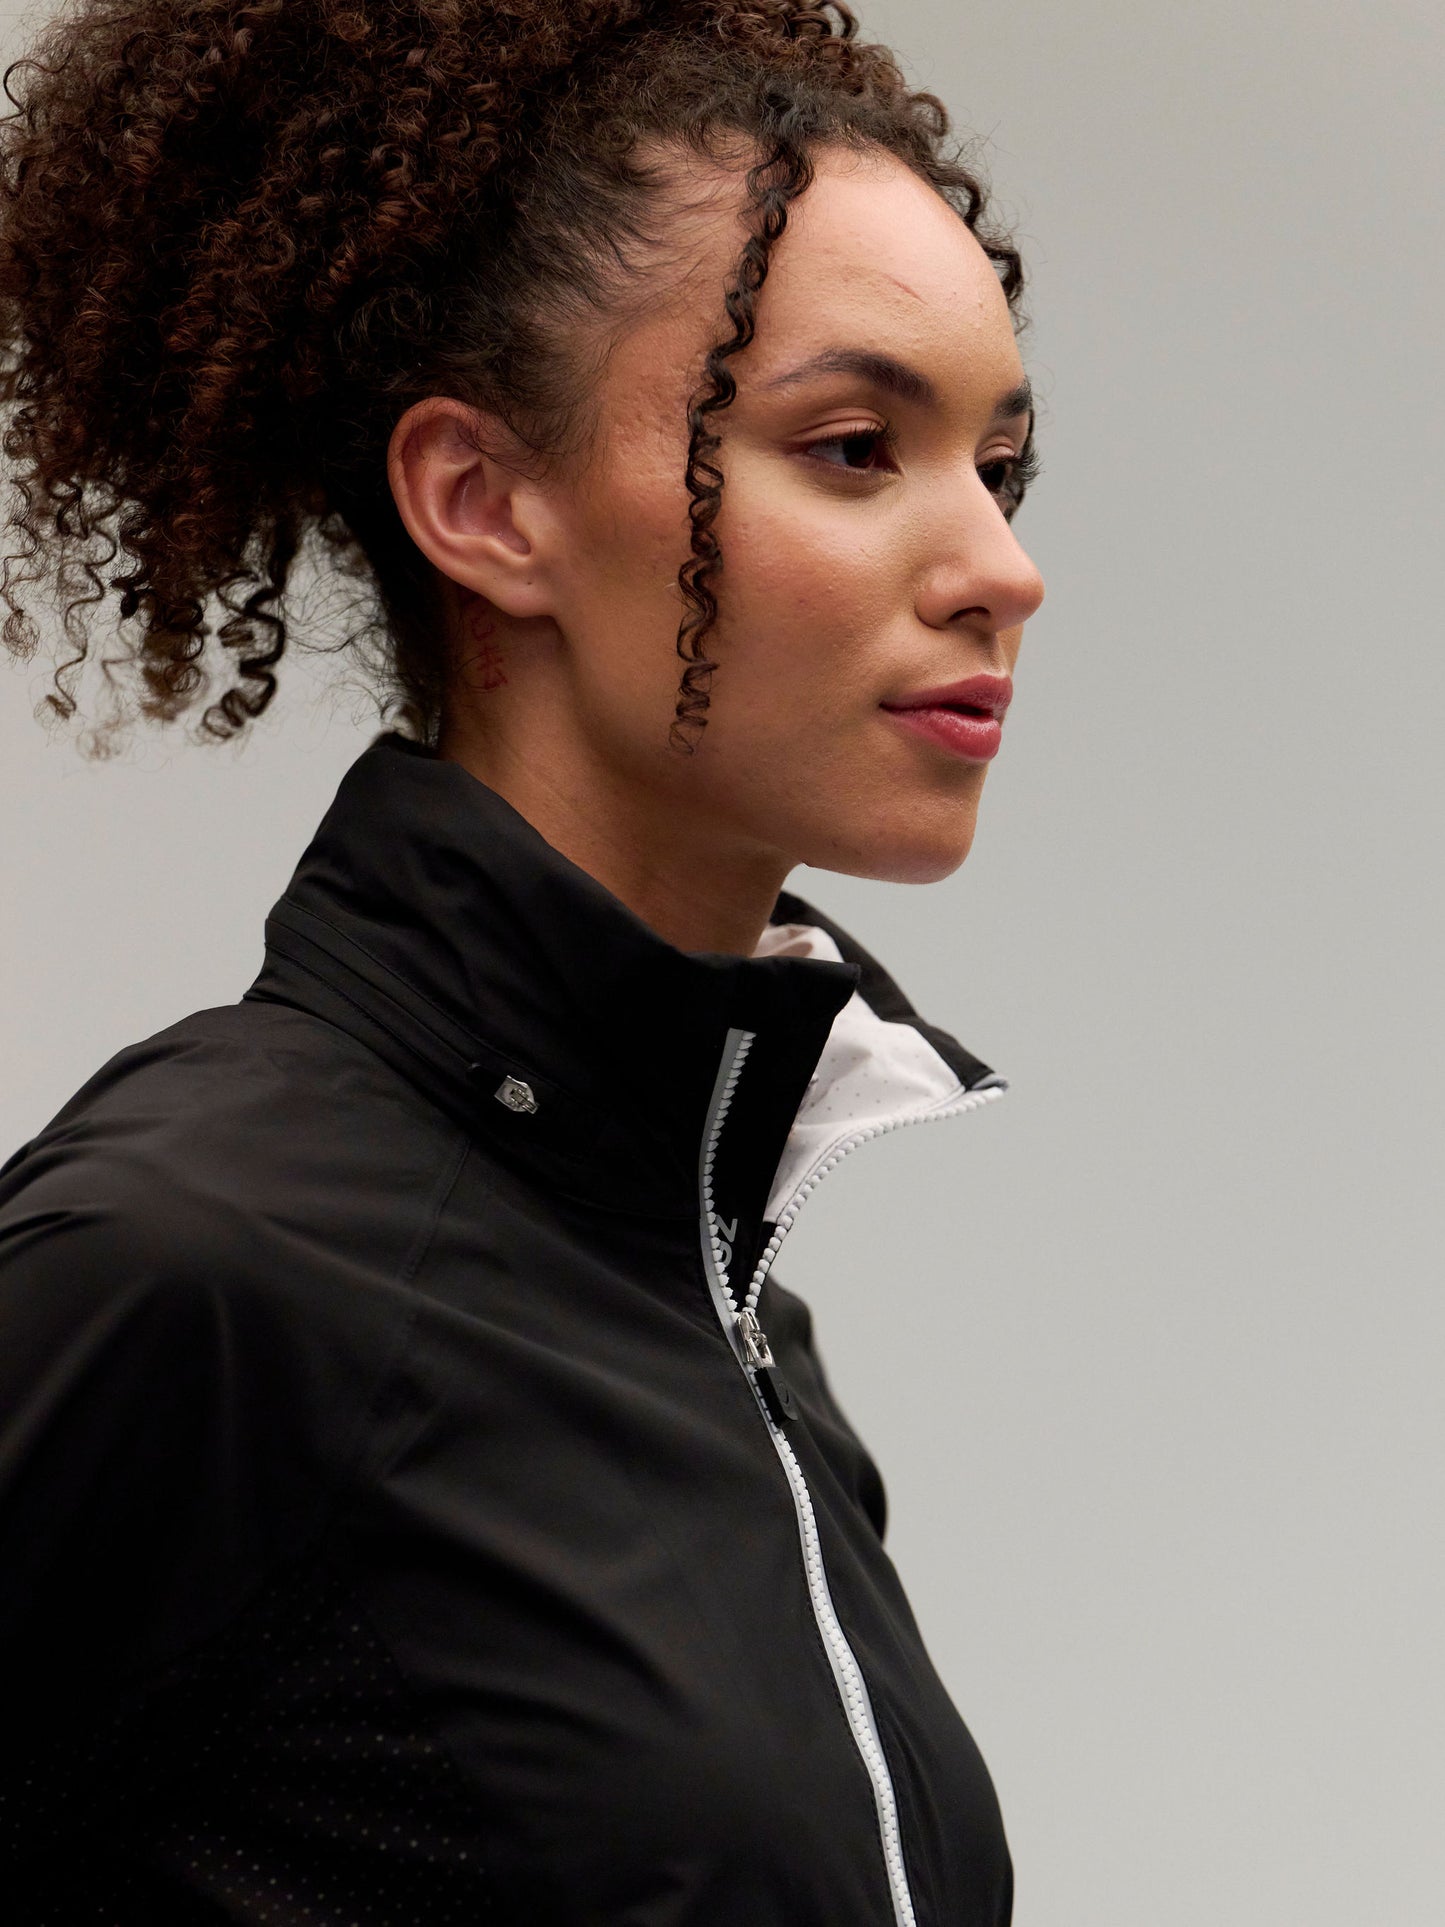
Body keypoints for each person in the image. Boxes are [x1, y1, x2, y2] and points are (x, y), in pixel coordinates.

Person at [0, 1, 1046, 1920]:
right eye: (852, 447)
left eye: (999, 466)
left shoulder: (728, 1324)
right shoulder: (193, 1263)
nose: (999, 565)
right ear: (484, 506)